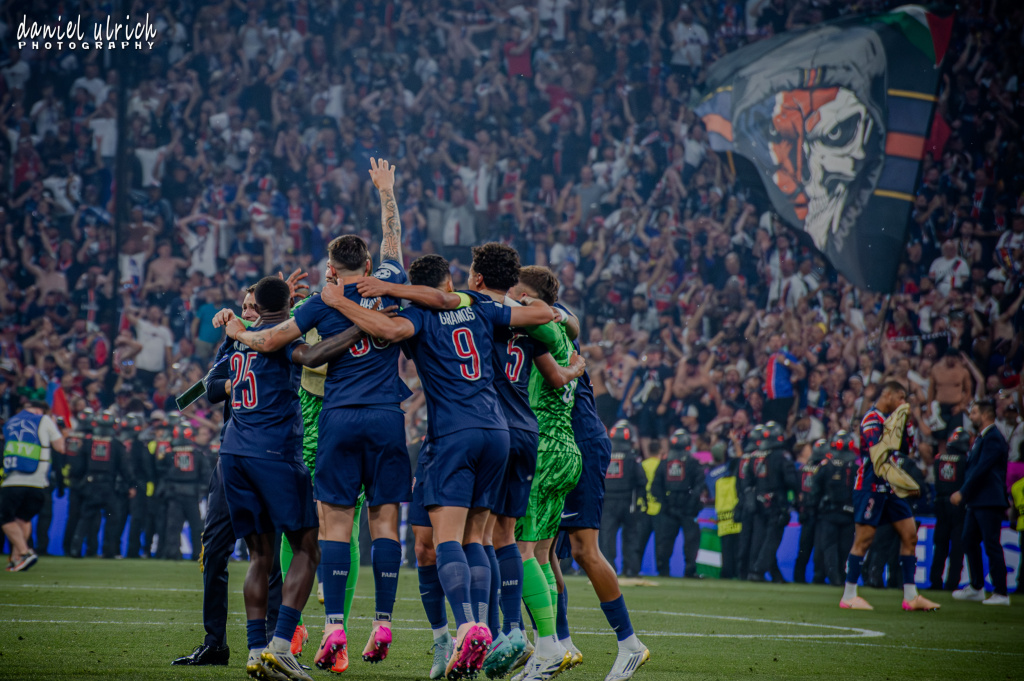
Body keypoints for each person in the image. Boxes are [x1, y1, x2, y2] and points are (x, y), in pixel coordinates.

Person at [318, 254, 555, 679]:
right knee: (477, 538)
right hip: (497, 432)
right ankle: (485, 627)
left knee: (447, 540)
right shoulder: (478, 305)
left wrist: (340, 301)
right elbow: (543, 313)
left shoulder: (419, 317)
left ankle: (466, 626)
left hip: (453, 434)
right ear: (449, 283)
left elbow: (388, 330)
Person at [222, 158, 411, 674]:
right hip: (386, 415)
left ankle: (331, 628)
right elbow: (392, 238)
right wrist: (386, 192)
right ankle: (383, 620)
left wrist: (239, 330)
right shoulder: (389, 280)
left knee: (331, 524)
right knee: (384, 520)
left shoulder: (319, 304)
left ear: (331, 267)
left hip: (337, 416)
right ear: (367, 264)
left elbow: (271, 341)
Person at [218, 276, 357, 681]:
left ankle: (255, 650)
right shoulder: (279, 336)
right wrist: (358, 329)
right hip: (274, 453)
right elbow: (313, 356)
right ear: (286, 306)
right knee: (308, 548)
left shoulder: (240, 338)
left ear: (257, 305)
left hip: (233, 452)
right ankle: (281, 645)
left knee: (259, 556)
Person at [554, 306, 650, 681]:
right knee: (543, 551)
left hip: (581, 446)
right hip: (556, 448)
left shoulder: (549, 326)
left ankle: (629, 643)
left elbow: (569, 320)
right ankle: (558, 643)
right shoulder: (537, 326)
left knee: (583, 550)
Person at [840, 381, 939, 611]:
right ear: (888, 395)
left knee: (910, 535)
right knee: (864, 540)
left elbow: (906, 450)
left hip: (891, 487)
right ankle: (849, 595)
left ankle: (911, 596)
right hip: (870, 486)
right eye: (900, 397)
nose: (903, 403)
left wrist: (907, 424)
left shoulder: (893, 419)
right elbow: (879, 454)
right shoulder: (871, 419)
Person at [951, 400, 1011, 606]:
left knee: (991, 544)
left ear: (985, 415)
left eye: (974, 412)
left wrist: (963, 492)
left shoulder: (993, 438)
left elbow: (981, 470)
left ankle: (1001, 592)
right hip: (978, 500)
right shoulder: (984, 438)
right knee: (968, 540)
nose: (971, 416)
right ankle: (977, 586)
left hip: (989, 500)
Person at [2, 400, 64, 572]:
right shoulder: (44, 420)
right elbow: (60, 446)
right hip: (38, 481)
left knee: (5, 518)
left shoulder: (10, 422)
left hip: (13, 479)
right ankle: (17, 559)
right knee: (23, 518)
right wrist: (57, 429)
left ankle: (24, 552)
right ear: (39, 410)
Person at [69, 410, 129, 559]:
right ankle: (109, 551)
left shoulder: (88, 443)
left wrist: (77, 482)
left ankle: (75, 549)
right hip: (108, 485)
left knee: (85, 518)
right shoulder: (116, 444)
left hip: (91, 484)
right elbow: (124, 468)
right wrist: (130, 484)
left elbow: (78, 467)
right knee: (112, 518)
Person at [651, 428, 705, 578]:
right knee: (691, 541)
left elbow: (655, 487)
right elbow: (699, 485)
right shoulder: (693, 463)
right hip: (687, 508)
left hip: (670, 508)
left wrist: (665, 504)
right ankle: (689, 570)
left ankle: (663, 571)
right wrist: (691, 503)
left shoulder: (664, 463)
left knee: (664, 541)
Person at [748, 421, 798, 583]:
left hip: (759, 501)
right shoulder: (781, 456)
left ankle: (766, 573)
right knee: (772, 539)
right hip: (776, 502)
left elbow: (748, 480)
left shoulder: (755, 456)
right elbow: (791, 480)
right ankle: (758, 571)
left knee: (759, 538)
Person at [810, 432, 858, 586]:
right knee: (842, 547)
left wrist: (815, 506)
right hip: (846, 513)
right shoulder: (856, 467)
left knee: (831, 546)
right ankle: (837, 577)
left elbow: (815, 488)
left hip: (830, 512)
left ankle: (835, 576)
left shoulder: (825, 466)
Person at [598, 420, 647, 574]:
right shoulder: (632, 457)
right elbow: (641, 481)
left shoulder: (603, 454)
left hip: (606, 502)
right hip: (628, 502)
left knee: (607, 537)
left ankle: (608, 570)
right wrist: (642, 500)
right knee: (631, 536)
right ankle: (631, 569)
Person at [929, 428, 969, 591]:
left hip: (940, 504)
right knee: (957, 546)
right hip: (958, 506)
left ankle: (935, 581)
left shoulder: (938, 459)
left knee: (940, 545)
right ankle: (952, 582)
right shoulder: (965, 460)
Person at [794, 439, 829, 584]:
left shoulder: (802, 469)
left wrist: (799, 506)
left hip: (806, 511)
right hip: (820, 513)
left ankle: (799, 577)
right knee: (820, 547)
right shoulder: (825, 469)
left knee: (804, 547)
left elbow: (796, 490)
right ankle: (818, 577)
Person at [927, 349, 972, 455]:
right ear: (946, 357)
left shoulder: (963, 371)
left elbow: (968, 391)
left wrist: (961, 406)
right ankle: (942, 459)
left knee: (955, 437)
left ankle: (954, 459)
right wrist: (929, 406)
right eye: (950, 357)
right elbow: (931, 390)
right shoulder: (936, 369)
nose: (952, 360)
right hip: (940, 408)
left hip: (956, 408)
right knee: (941, 437)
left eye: (954, 358)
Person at [763, 335, 805, 424]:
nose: (775, 343)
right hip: (771, 398)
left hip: (783, 397)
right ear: (768, 344)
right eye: (773, 341)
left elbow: (802, 371)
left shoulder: (786, 355)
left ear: (781, 343)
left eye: (777, 341)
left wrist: (786, 362)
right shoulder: (770, 357)